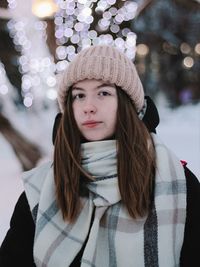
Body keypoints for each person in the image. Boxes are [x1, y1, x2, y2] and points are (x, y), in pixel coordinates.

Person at [0, 45, 199, 267]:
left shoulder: (176, 185)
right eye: (79, 96)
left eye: (103, 93)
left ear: (127, 103)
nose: (89, 107)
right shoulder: (42, 189)